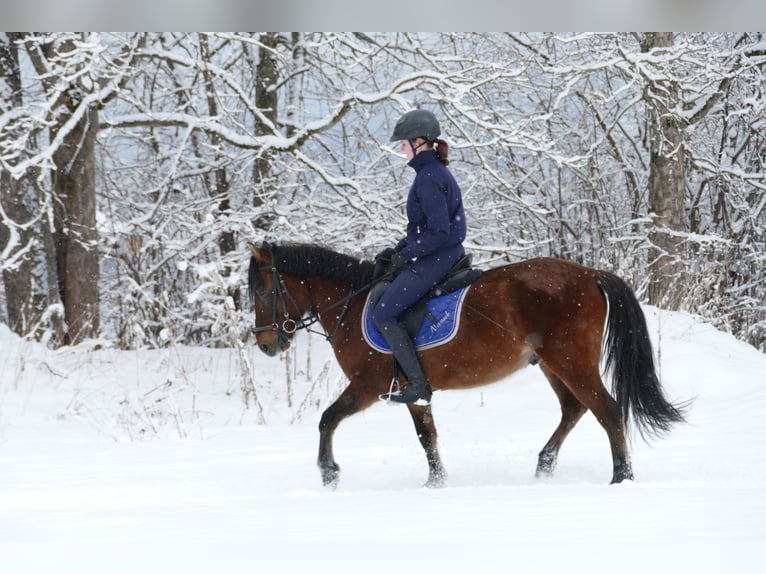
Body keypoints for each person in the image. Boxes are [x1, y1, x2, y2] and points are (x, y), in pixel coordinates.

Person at [373, 109, 467, 405]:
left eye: (403, 143)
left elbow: (438, 232)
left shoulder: (428, 177)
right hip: (438, 253)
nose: (401, 148)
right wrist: (399, 249)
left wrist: (410, 253)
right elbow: (425, 228)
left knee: (384, 312)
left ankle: (418, 386)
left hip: (439, 256)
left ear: (419, 141)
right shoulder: (432, 172)